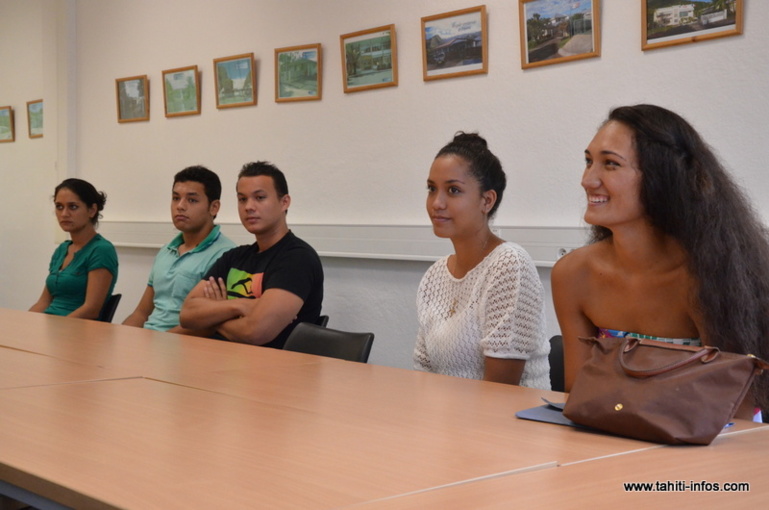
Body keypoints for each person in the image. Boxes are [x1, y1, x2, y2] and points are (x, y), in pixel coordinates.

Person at [552, 104, 769, 421]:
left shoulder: (711, 275)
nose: (588, 180)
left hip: (712, 445)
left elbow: (735, 410)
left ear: (661, 177)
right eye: (589, 162)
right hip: (610, 438)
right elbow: (579, 393)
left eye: (610, 164)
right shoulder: (572, 273)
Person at [414, 132, 550, 388]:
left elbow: (499, 392)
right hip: (447, 422)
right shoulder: (434, 276)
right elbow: (423, 374)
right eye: (432, 189)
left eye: (453, 190)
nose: (437, 203)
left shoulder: (510, 264)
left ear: (487, 200)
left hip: (508, 424)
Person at [179, 161, 324, 348]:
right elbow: (188, 315)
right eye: (242, 199)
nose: (249, 207)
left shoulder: (297, 258)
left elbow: (255, 332)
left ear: (284, 202)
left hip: (272, 371)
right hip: (220, 362)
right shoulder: (234, 257)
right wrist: (238, 306)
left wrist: (214, 316)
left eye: (260, 197)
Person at [122, 166, 236, 334]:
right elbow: (141, 313)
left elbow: (207, 326)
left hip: (185, 349)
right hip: (148, 342)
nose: (180, 206)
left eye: (192, 200)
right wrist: (121, 337)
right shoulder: (166, 251)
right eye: (176, 198)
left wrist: (153, 344)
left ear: (214, 207)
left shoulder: (226, 255)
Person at [29, 178, 118, 319]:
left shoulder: (101, 250)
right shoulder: (62, 249)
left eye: (73, 207)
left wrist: (53, 330)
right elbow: (43, 302)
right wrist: (24, 323)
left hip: (76, 331)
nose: (64, 214)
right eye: (59, 207)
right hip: (49, 327)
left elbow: (91, 310)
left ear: (92, 210)